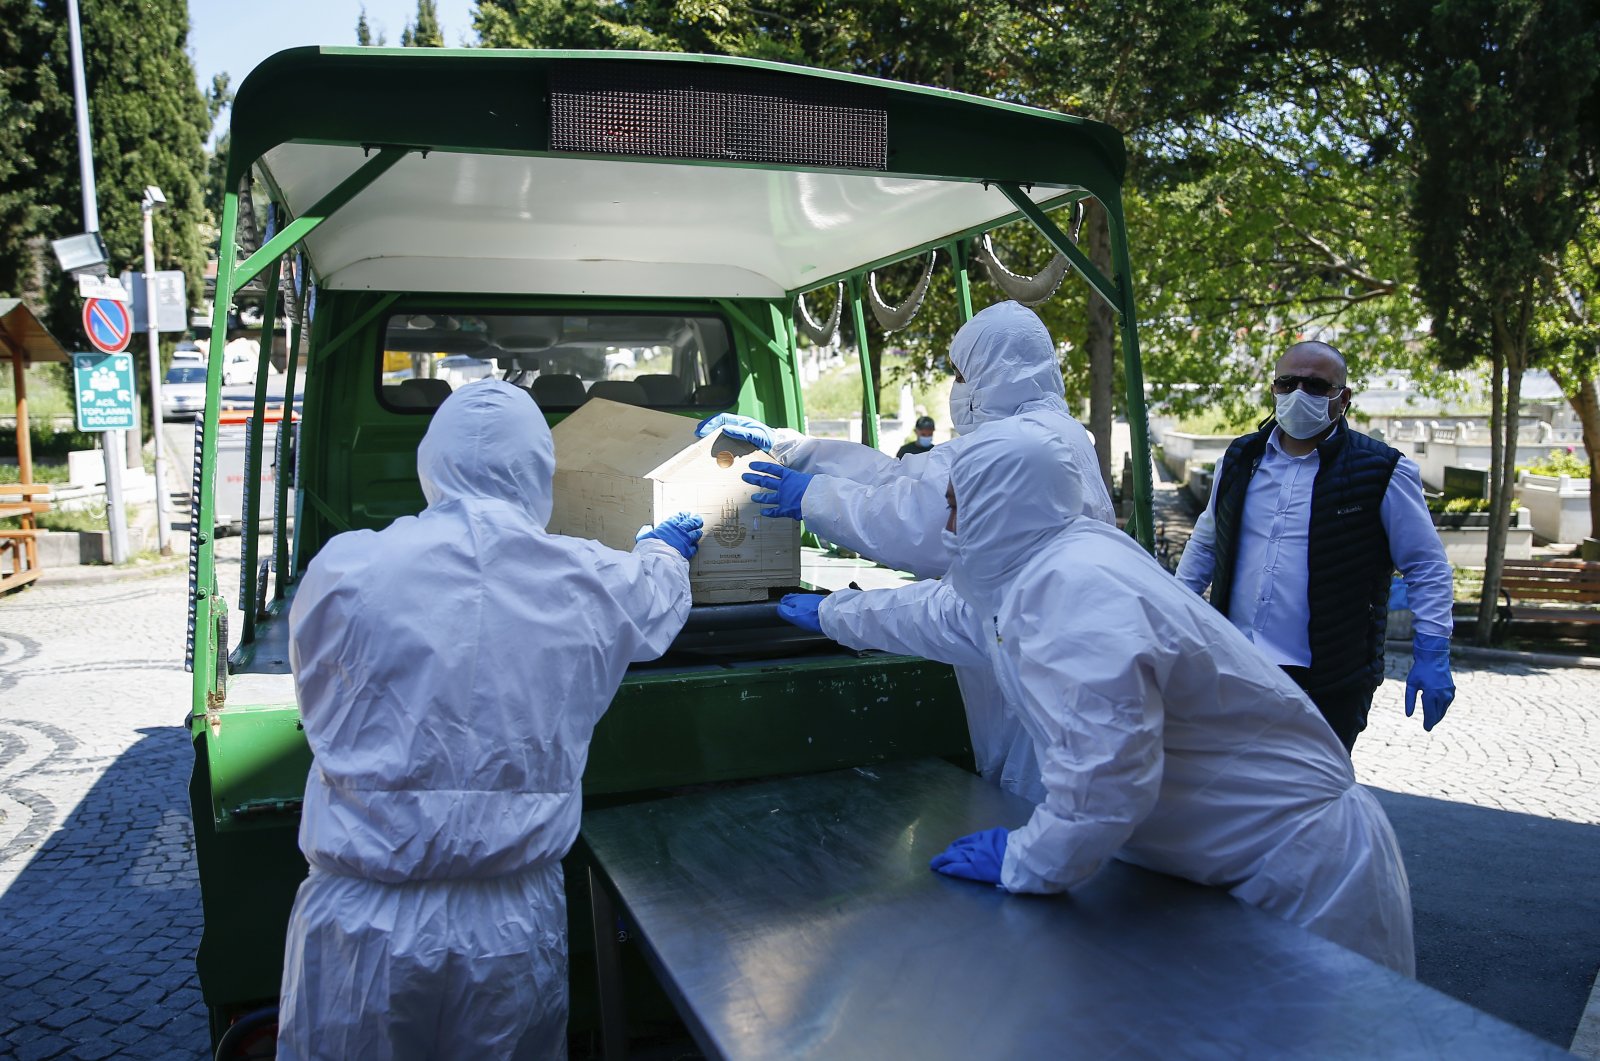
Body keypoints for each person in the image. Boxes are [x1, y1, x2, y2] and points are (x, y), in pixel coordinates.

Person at [776, 419, 1415, 975]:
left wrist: (1025, 861)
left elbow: (1107, 777)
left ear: (999, 503)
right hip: (1234, 860)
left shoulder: (1076, 590)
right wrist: (835, 614)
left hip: (1299, 869)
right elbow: (947, 615)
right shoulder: (1042, 560)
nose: (946, 521)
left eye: (955, 501)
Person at [278, 380, 700, 1060]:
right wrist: (665, 548)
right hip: (509, 926)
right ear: (538, 471)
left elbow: (317, 688)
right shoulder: (587, 579)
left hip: (362, 923)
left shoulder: (345, 567)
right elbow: (656, 598)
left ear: (431, 462)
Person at [697, 300, 1114, 803]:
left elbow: (913, 521)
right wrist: (792, 448)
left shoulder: (1013, 447)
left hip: (1040, 704)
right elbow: (904, 481)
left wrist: (812, 506)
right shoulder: (1052, 432)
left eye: (961, 375)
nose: (955, 389)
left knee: (1042, 805)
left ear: (995, 374)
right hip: (1038, 670)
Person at [1174, 341, 1456, 752]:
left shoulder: (1381, 471)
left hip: (1329, 680)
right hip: (1236, 666)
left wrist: (1432, 650)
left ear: (1343, 399)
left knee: (1313, 804)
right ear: (1273, 389)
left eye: (1316, 385)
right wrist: (1175, 620)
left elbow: (1426, 566)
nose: (1299, 393)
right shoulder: (1239, 460)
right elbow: (1205, 544)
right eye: (1288, 382)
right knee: (1237, 797)